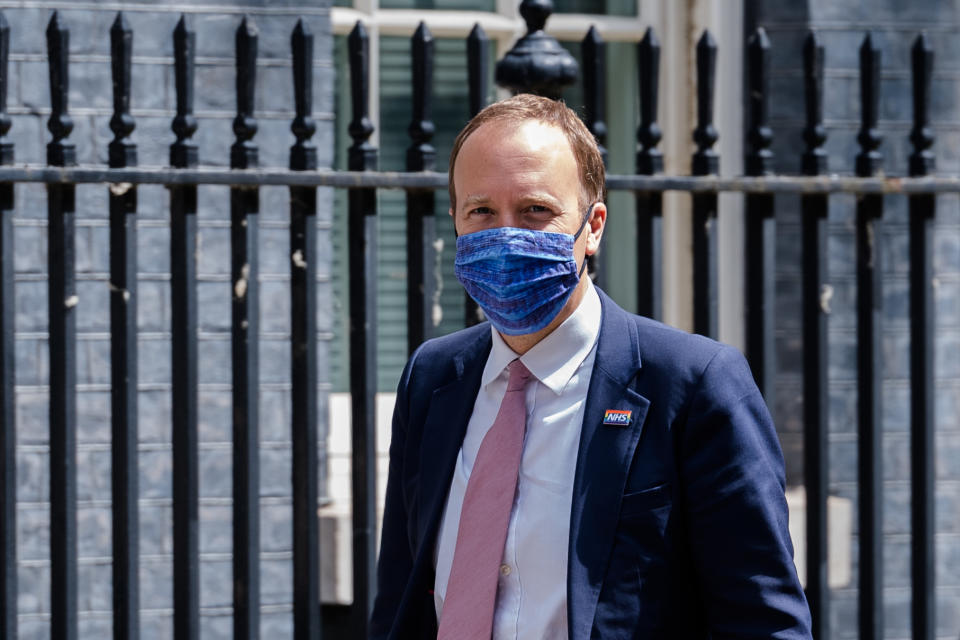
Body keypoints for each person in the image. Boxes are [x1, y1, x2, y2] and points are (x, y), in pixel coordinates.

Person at [369, 93, 812, 639]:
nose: (507, 234)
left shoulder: (695, 385)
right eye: (481, 211)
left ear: (594, 225)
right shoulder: (432, 378)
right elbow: (399, 599)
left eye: (536, 210)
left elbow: (763, 622)